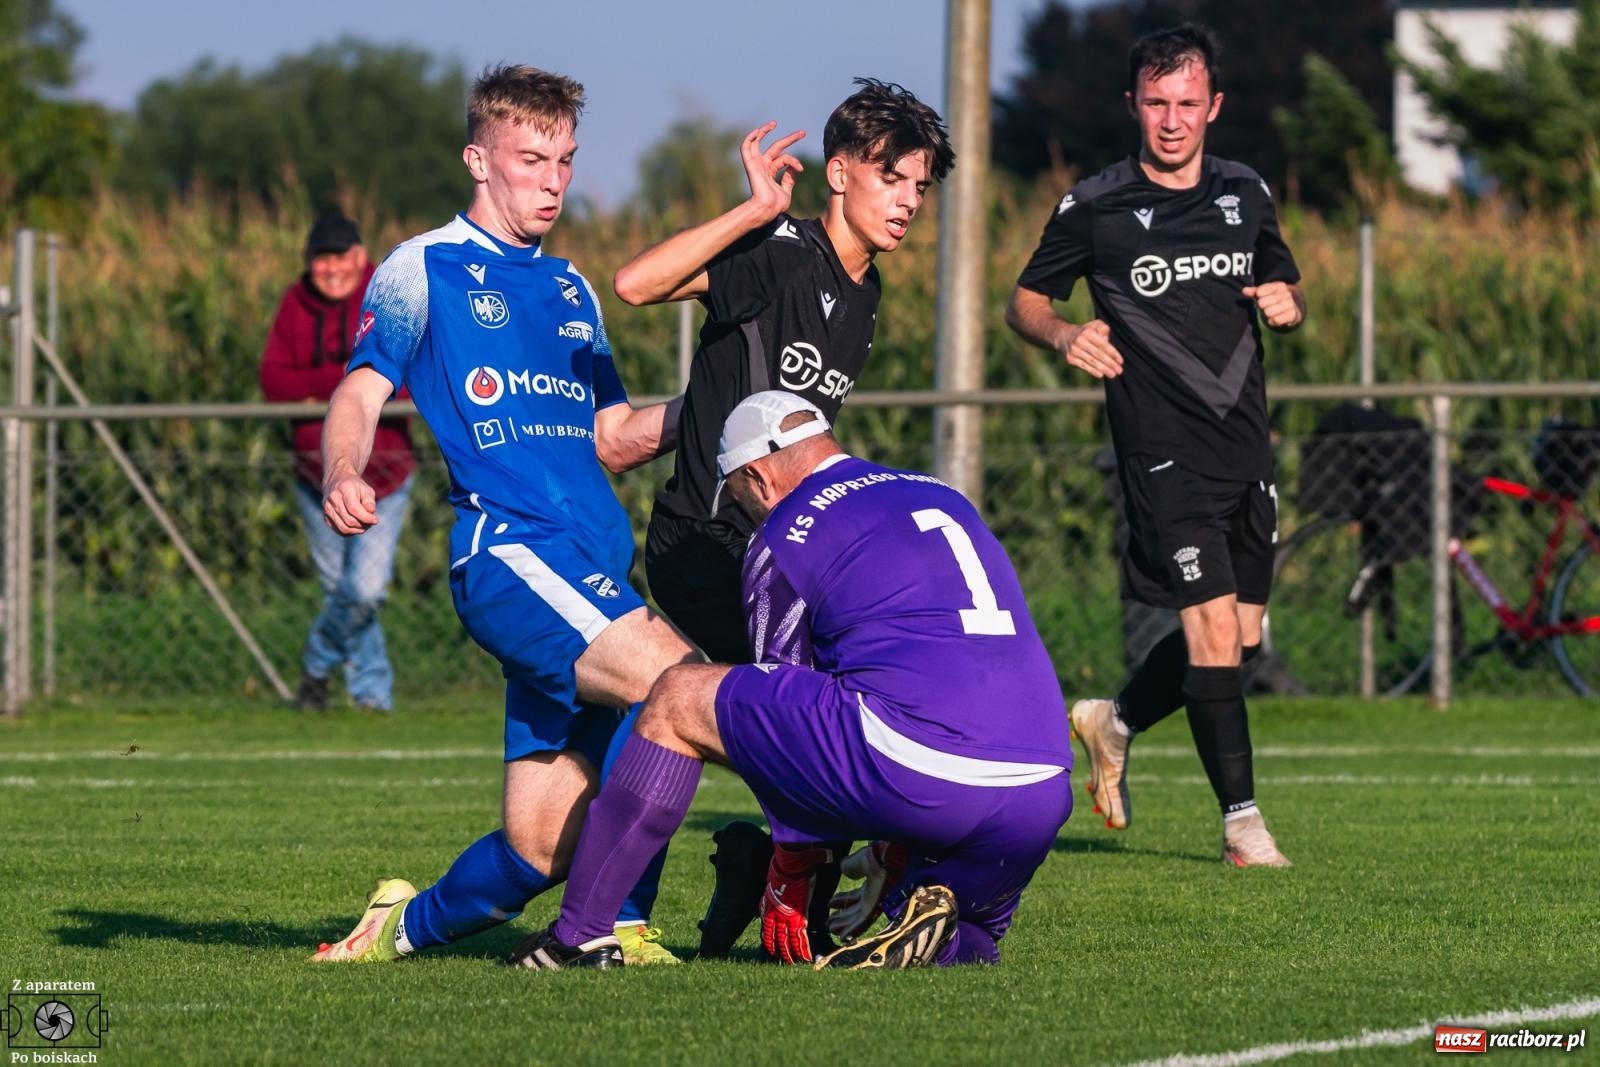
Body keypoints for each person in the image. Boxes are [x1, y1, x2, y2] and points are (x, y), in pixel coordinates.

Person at [308, 64, 701, 967]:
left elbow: (612, 435)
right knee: (684, 687)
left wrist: (709, 407)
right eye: (532, 158)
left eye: (565, 159)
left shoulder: (572, 289)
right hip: (509, 556)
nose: (553, 180)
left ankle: (397, 929)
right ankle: (626, 925)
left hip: (591, 568)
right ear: (478, 159)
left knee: (537, 849)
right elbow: (361, 391)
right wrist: (342, 466)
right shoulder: (424, 266)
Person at [505, 391, 1074, 971]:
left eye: (740, 496)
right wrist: (888, 846)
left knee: (677, 697)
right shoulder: (940, 493)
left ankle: (578, 937)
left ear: (758, 476)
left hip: (916, 766)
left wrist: (791, 866)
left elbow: (792, 719)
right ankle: (947, 934)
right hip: (1042, 787)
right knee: (972, 932)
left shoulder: (787, 531)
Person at [1005, 25, 1304, 867]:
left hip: (1245, 449)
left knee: (1241, 641)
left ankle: (1114, 720)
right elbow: (1024, 301)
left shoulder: (1248, 193)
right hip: (1159, 449)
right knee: (1210, 633)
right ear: (1133, 105)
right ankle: (1244, 825)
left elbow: (1281, 283)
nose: (1171, 120)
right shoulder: (1095, 204)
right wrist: (1064, 336)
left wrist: (1290, 300)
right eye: (1155, 103)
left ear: (1213, 107)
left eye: (1186, 104)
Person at [618, 78, 955, 665]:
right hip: (706, 540)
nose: (908, 201)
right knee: (812, 705)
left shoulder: (866, 291)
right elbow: (633, 284)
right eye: (891, 178)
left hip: (775, 543)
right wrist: (754, 211)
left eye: (919, 187)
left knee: (827, 693)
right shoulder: (781, 254)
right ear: (840, 174)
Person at [260, 213, 413, 712]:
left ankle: (316, 663)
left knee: (364, 590)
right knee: (339, 590)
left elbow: (409, 378)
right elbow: (273, 381)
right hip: (315, 475)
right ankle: (372, 696)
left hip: (384, 476)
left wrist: (320, 386)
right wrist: (354, 382)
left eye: (340, 257)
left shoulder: (387, 295)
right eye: (321, 259)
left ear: (359, 255)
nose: (331, 270)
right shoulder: (294, 303)